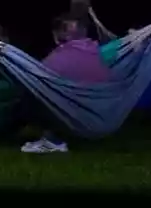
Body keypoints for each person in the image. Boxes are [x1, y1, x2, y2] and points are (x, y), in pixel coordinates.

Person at [20, 14, 110, 154]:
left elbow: (37, 79)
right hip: (99, 113)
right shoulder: (96, 52)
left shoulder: (60, 57)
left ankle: (52, 141)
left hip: (72, 113)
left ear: (59, 34)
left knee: (30, 93)